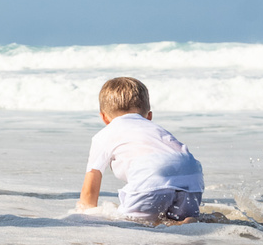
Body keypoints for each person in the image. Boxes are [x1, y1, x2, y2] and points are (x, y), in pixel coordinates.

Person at [77, 77, 205, 223]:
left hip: (151, 177)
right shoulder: (156, 129)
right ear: (149, 116)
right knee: (174, 223)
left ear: (104, 118)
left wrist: (84, 215)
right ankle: (188, 221)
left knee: (130, 226)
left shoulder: (104, 134)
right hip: (192, 179)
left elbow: (92, 180)